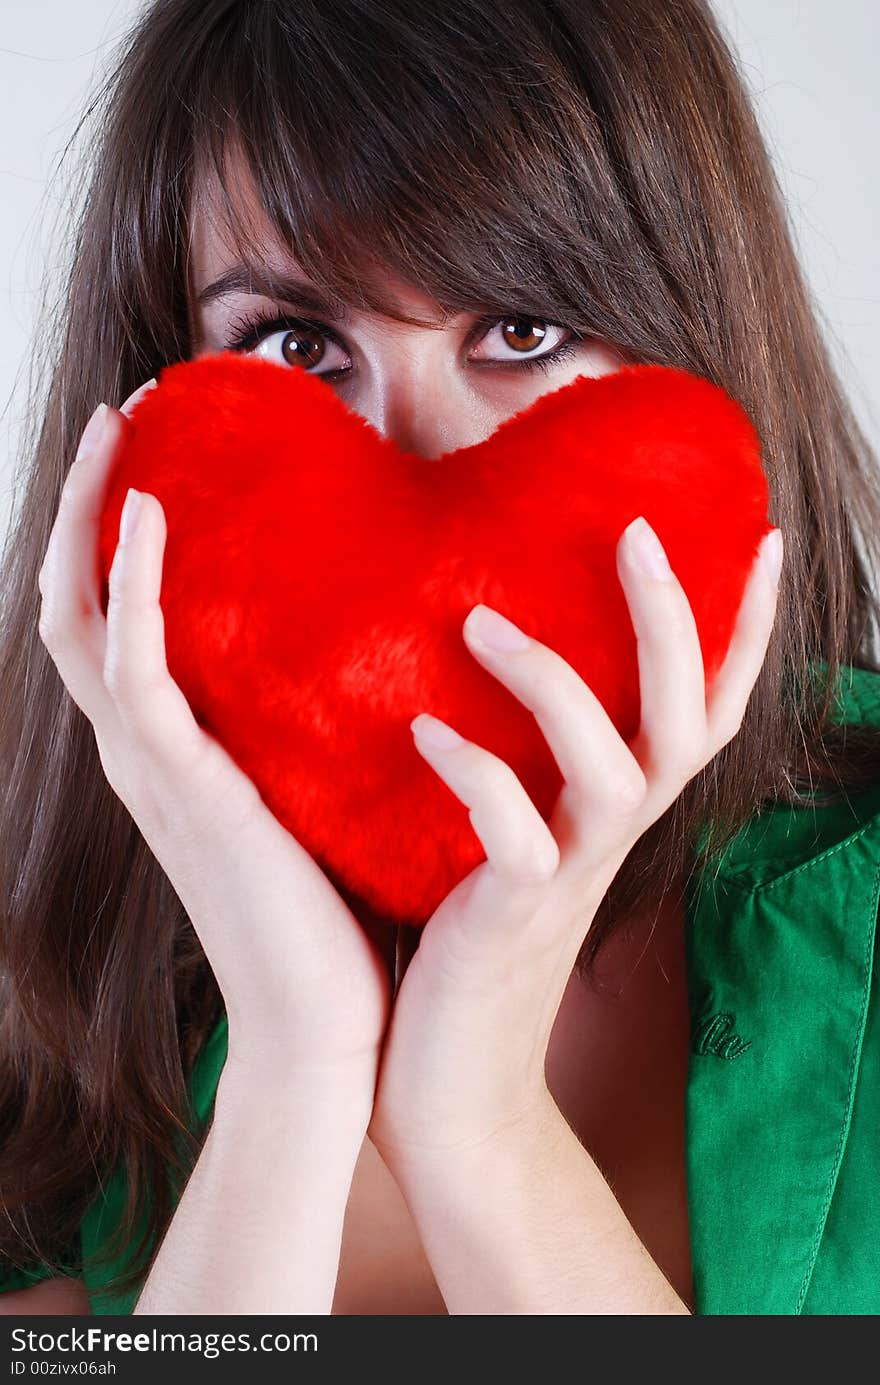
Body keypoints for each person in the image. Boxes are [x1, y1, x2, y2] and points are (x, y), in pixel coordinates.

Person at [1, 0, 879, 1317]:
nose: (418, 467)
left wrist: (482, 1132)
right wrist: (292, 1073)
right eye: (298, 345)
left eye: (522, 331)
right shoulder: (36, 932)